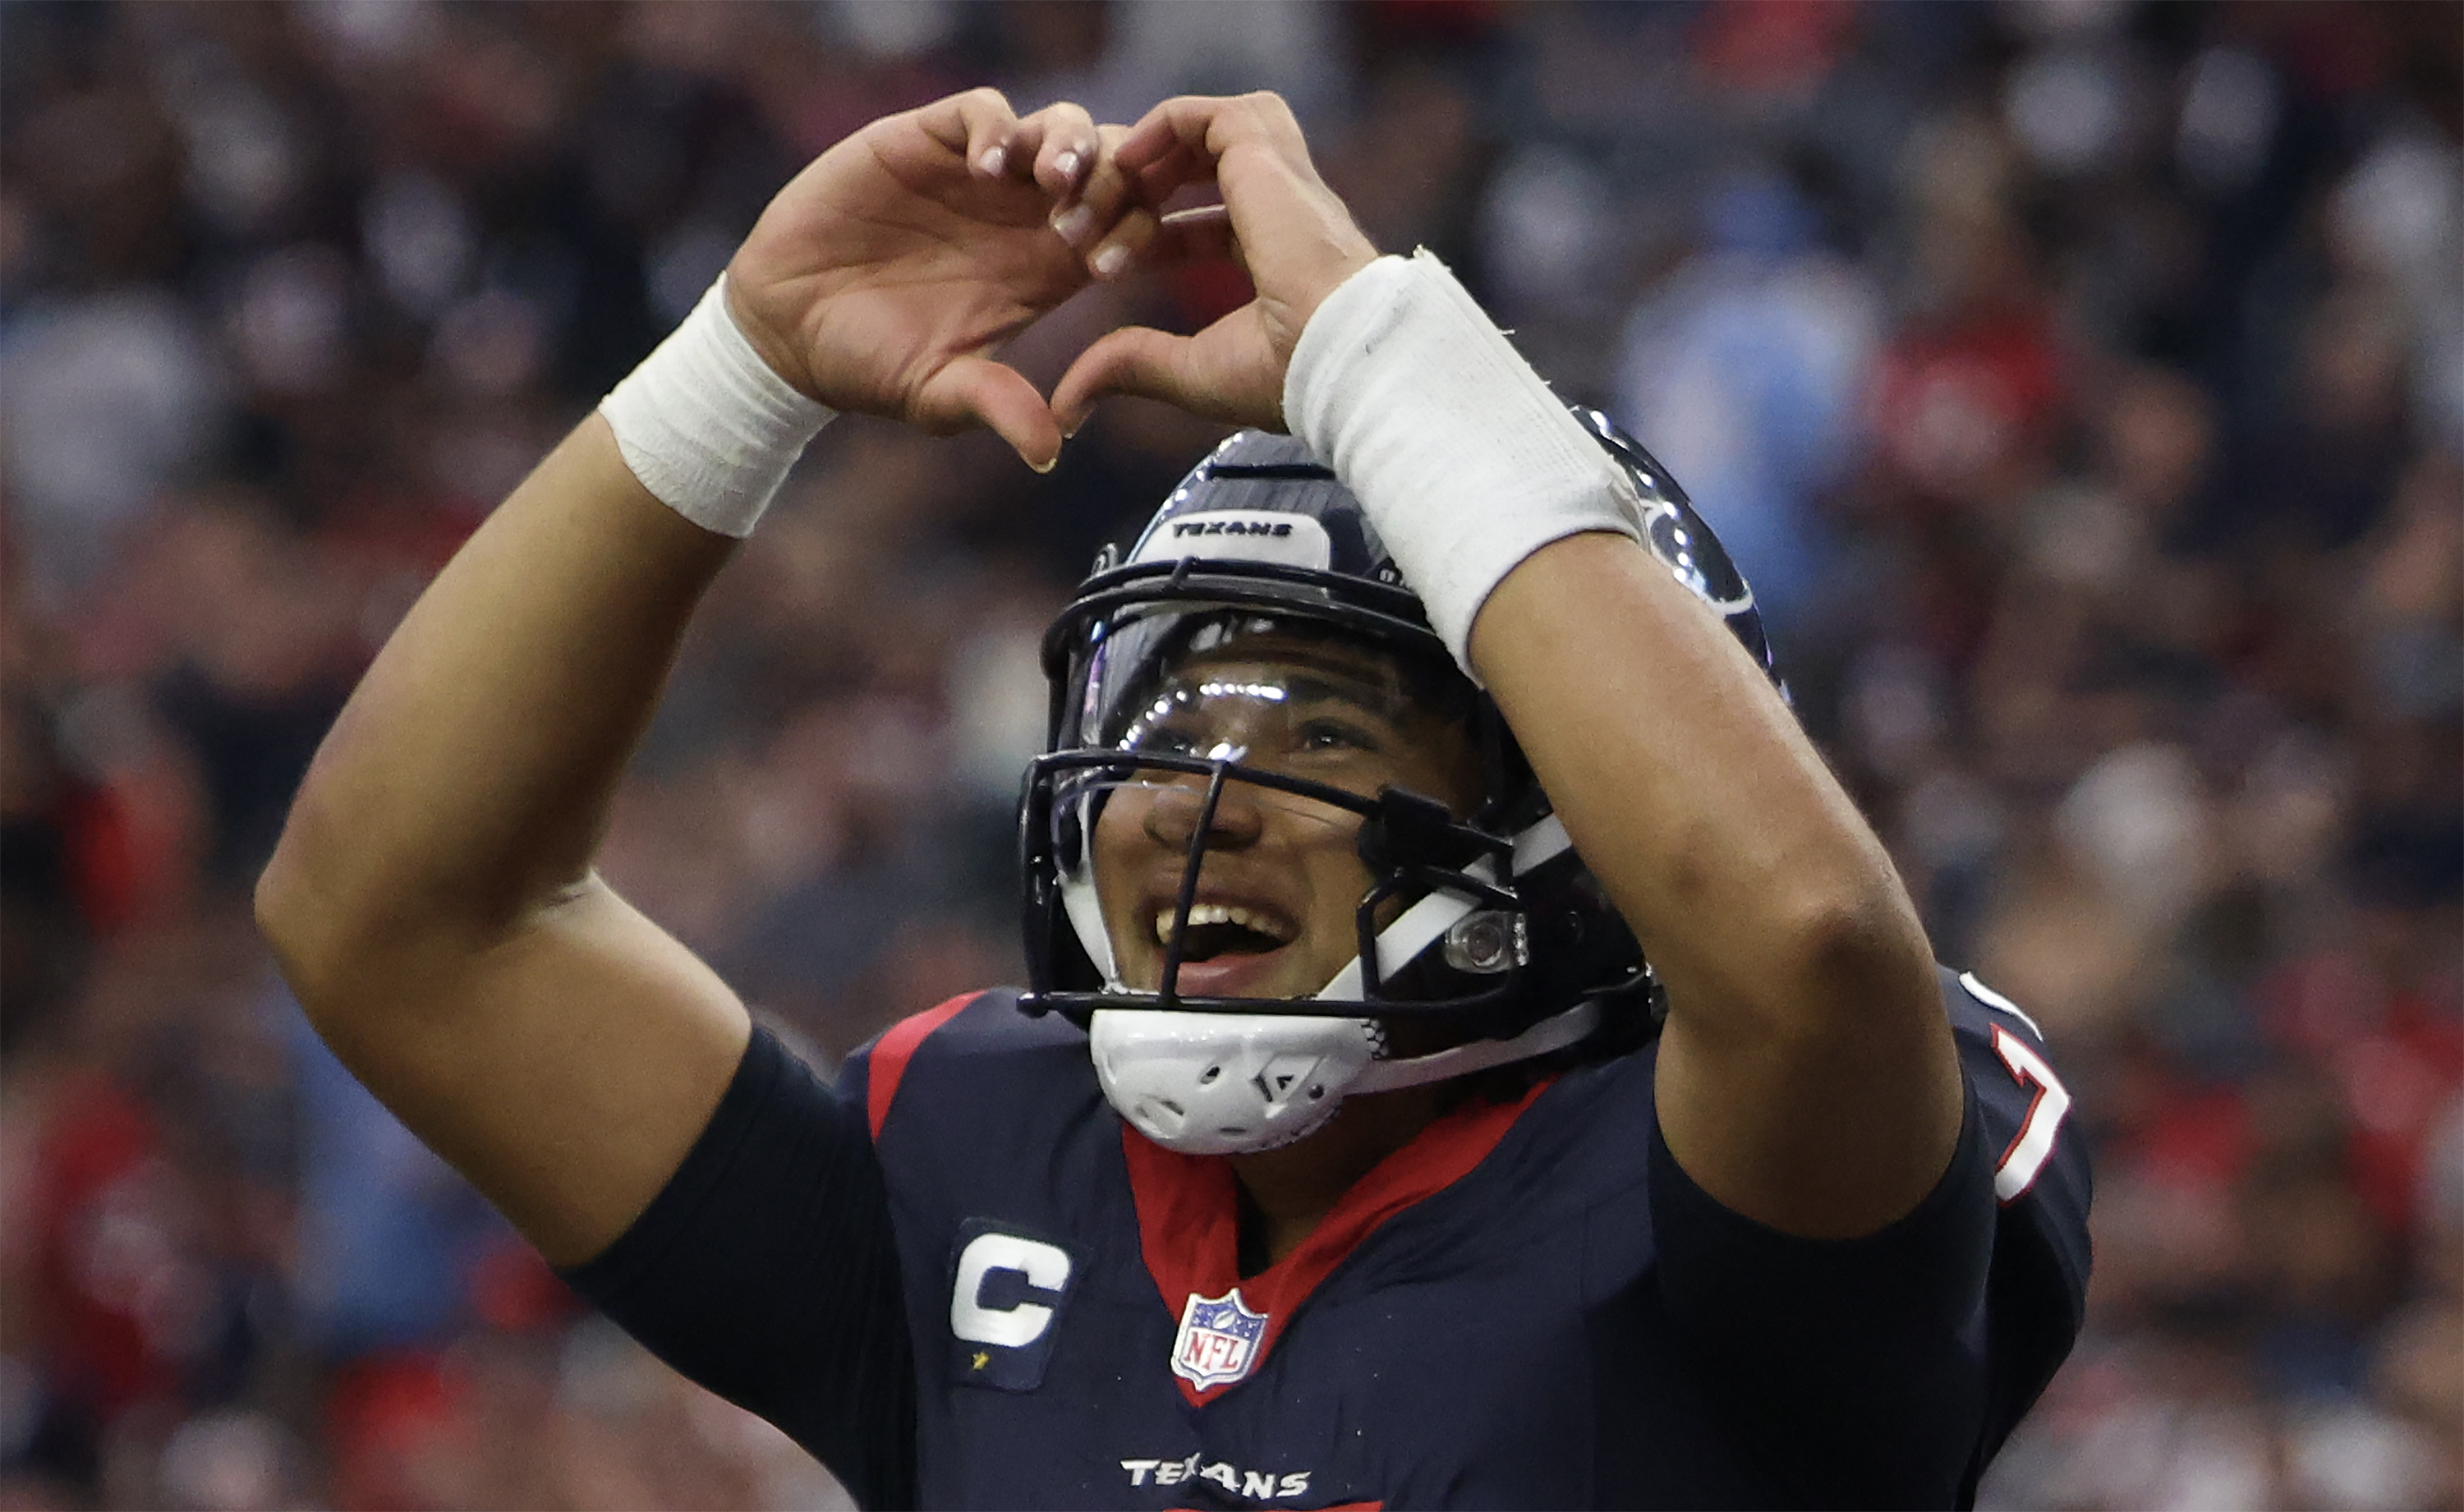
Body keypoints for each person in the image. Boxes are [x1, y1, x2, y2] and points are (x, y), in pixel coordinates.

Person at [257, 89, 2089, 1509]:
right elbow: (402, 923)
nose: (1187, 798)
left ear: (1582, 820)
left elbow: (1807, 943)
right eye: (1167, 720)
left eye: (1314, 730)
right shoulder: (980, 1162)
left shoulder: (1730, 1175)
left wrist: (1378, 352)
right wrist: (740, 371)